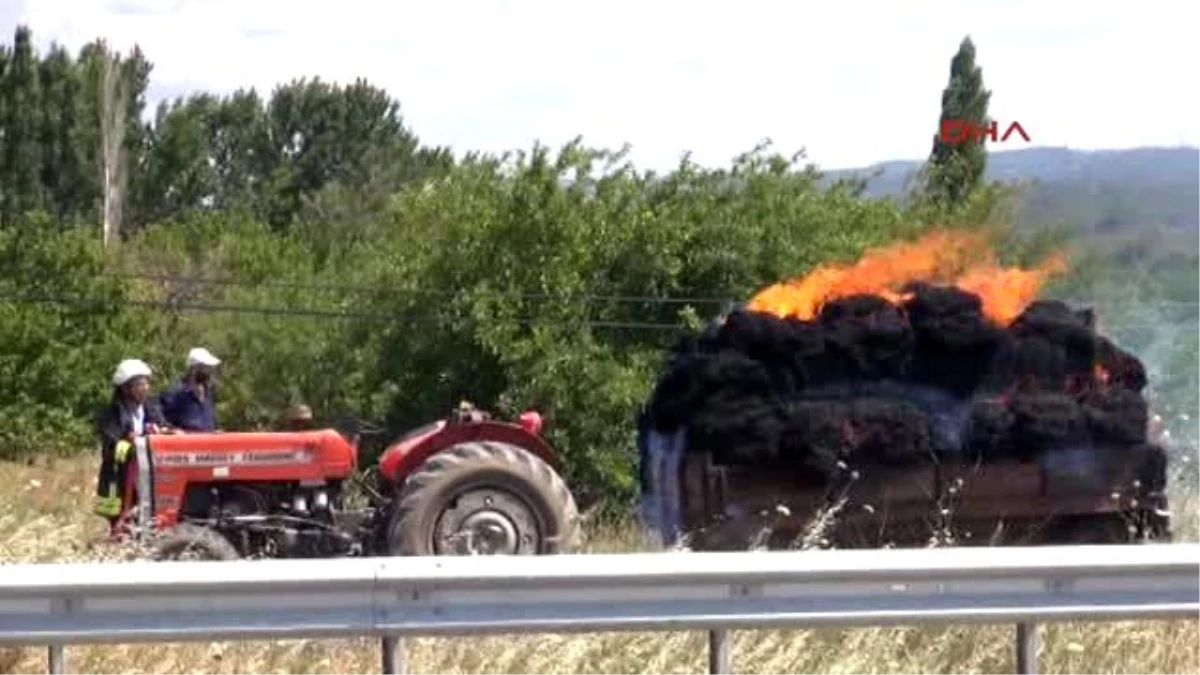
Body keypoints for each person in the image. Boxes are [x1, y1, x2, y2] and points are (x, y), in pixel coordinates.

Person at [94, 358, 172, 529]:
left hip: (146, 477)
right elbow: (112, 448)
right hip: (119, 481)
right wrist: (134, 444)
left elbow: (164, 428)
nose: (145, 388)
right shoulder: (112, 415)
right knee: (121, 526)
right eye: (139, 385)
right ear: (126, 388)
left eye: (146, 384)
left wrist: (164, 432)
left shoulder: (150, 408)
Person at [159, 347, 221, 432]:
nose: (210, 371)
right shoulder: (175, 394)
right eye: (206, 368)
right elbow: (163, 423)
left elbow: (212, 423)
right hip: (185, 444)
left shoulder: (208, 394)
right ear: (194, 369)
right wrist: (173, 431)